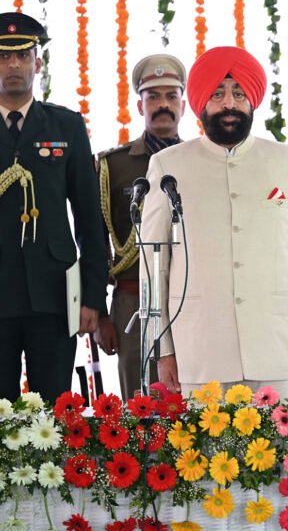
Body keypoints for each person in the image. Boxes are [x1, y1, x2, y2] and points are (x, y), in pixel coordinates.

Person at [140, 46, 288, 397]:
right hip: (197, 347)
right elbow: (155, 267)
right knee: (201, 451)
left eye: (239, 93)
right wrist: (163, 348)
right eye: (218, 93)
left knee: (271, 451)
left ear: (252, 101)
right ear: (200, 103)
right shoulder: (168, 166)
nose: (229, 103)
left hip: (273, 345)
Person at [0, 12, 107, 403]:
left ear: (37, 63)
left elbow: (89, 217)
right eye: (3, 56)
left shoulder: (65, 126)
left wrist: (94, 296)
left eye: (23, 56)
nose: (13, 64)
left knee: (54, 415)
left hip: (53, 295)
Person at [94, 53, 187, 398]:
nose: (162, 104)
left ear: (183, 103)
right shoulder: (113, 165)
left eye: (170, 96)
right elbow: (95, 240)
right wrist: (101, 315)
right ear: (139, 104)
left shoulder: (199, 160)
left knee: (192, 401)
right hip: (133, 302)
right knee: (139, 403)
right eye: (153, 97)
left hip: (190, 297)